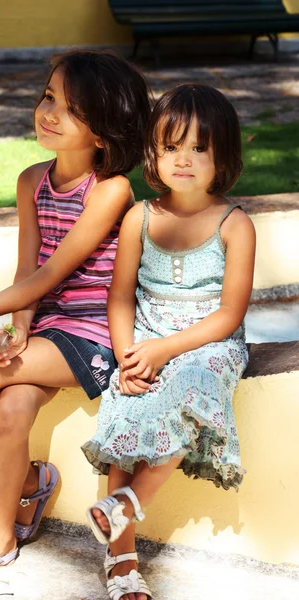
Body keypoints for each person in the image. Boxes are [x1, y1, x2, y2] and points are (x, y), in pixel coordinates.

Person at [0, 49, 151, 590]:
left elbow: (57, 268)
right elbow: (29, 267)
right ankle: (7, 526)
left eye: (70, 109)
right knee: (8, 410)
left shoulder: (111, 189)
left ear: (102, 133)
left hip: (95, 335)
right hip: (48, 323)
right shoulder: (32, 179)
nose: (48, 112)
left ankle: (15, 508)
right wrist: (21, 321)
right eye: (48, 96)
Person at [81, 83, 256, 600]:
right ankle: (121, 561)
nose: (184, 159)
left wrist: (164, 351)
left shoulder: (234, 224)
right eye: (171, 146)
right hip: (143, 339)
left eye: (199, 148)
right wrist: (126, 355)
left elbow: (229, 315)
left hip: (207, 345)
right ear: (152, 154)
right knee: (127, 416)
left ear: (222, 155)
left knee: (190, 390)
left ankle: (125, 506)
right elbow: (120, 297)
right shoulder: (141, 217)